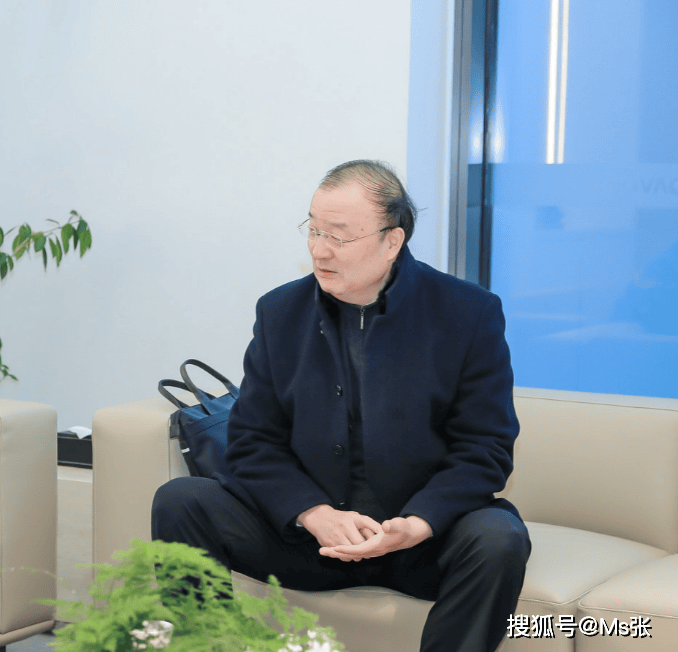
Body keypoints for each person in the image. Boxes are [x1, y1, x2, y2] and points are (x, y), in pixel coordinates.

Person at [151, 160, 530, 651]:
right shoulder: (280, 312)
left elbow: (485, 448)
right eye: (313, 230)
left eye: (339, 236)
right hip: (308, 542)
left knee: (499, 538)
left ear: (392, 241)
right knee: (181, 501)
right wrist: (313, 513)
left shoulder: (467, 312)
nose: (319, 249)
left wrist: (416, 524)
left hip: (418, 543)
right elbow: (252, 442)